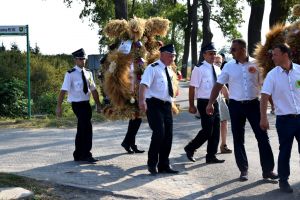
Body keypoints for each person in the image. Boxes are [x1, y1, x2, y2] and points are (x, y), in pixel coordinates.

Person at [206, 39, 278, 181]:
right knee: (238, 138)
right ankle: (243, 170)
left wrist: (273, 104)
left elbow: (265, 87)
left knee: (263, 137)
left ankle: (268, 170)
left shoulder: (256, 64)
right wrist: (210, 103)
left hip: (253, 104)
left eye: (234, 49)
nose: (231, 51)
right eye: (231, 49)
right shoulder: (228, 66)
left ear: (243, 49)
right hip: (236, 106)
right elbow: (218, 85)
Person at [260, 43, 300, 193]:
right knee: (285, 151)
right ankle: (283, 181)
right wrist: (263, 118)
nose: (272, 57)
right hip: (284, 120)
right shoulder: (272, 75)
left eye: (275, 54)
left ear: (285, 54)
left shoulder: (299, 71)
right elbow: (264, 97)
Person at [139, 44, 179, 175]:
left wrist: (172, 103)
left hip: (166, 105)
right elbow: (143, 85)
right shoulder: (153, 68)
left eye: (174, 55)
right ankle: (152, 163)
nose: (172, 57)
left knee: (168, 136)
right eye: (170, 55)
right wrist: (141, 101)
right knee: (159, 133)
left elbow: (169, 89)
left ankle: (164, 165)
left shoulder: (169, 70)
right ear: (162, 54)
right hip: (154, 104)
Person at [56, 48, 101, 163]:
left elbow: (94, 90)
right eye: (80, 59)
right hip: (77, 105)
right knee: (86, 127)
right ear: (75, 60)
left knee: (82, 128)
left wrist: (98, 105)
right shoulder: (70, 74)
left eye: (84, 59)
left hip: (86, 104)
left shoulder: (89, 73)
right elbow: (63, 91)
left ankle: (78, 154)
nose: (83, 61)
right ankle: (86, 154)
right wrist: (59, 106)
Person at [183, 43, 225, 164]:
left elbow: (220, 85)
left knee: (216, 130)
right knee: (207, 131)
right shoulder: (199, 68)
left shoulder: (217, 69)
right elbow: (192, 87)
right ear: (204, 54)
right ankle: (190, 147)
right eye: (210, 53)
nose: (213, 56)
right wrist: (191, 105)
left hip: (216, 101)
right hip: (204, 101)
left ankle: (211, 156)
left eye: (214, 53)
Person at [214, 54, 232, 154]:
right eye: (216, 62)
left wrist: (230, 99)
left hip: (220, 99)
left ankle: (223, 144)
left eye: (220, 62)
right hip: (210, 100)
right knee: (210, 127)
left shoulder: (220, 71)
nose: (218, 64)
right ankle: (195, 144)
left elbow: (223, 87)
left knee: (224, 121)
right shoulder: (208, 70)